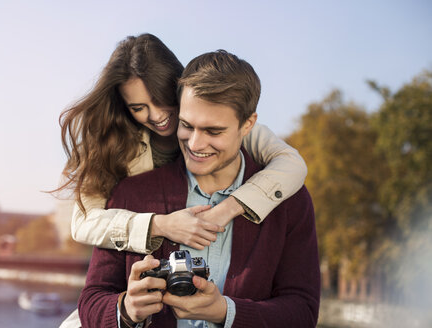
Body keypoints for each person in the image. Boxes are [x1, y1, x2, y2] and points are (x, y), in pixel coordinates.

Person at [78, 50, 320, 327]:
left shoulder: (291, 202)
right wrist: (126, 309)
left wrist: (225, 311)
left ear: (248, 125)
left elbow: (303, 312)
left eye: (213, 131)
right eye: (186, 125)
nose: (194, 144)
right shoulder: (132, 193)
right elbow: (91, 303)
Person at [57, 33, 308, 256]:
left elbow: (291, 163)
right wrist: (161, 225)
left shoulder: (223, 123)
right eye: (138, 108)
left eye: (161, 99)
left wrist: (228, 208)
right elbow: (83, 225)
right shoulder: (111, 144)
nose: (156, 116)